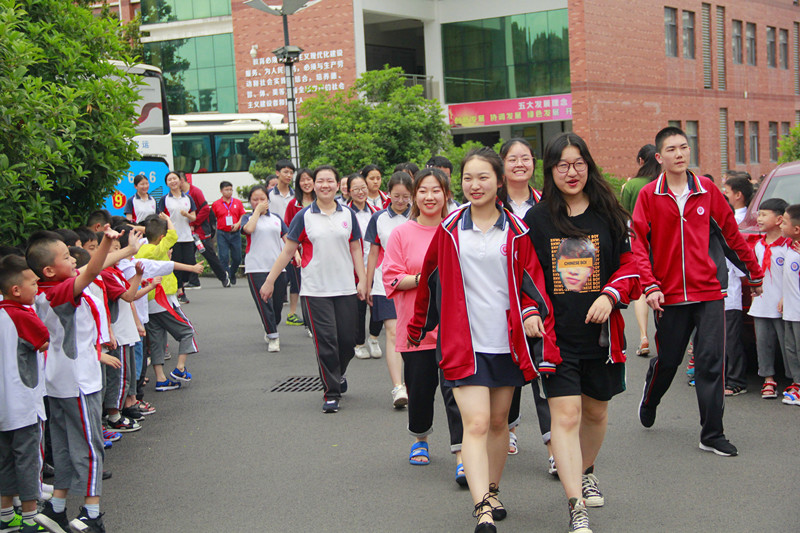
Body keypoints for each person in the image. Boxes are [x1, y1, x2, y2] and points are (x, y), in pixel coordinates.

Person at [407, 147, 557, 533]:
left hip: (506, 343)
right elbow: (429, 278)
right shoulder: (449, 229)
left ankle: (492, 490)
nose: (475, 185)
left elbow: (532, 282)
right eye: (468, 178)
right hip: (463, 344)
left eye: (483, 177)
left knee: (498, 423)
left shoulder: (518, 231)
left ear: (499, 181)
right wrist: (418, 326)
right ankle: (482, 510)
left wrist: (533, 312)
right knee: (475, 423)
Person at [525, 132, 640, 533]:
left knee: (595, 411)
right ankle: (576, 505)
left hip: (602, 339)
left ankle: (586, 469)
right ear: (550, 170)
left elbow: (631, 265)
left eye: (578, 164)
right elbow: (525, 274)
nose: (571, 172)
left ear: (588, 166)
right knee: (567, 415)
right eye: (562, 165)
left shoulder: (610, 213)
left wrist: (610, 294)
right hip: (556, 339)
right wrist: (530, 311)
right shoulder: (537, 219)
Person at [633, 126, 763, 457]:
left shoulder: (707, 190)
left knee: (710, 363)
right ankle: (650, 398)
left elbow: (732, 236)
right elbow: (638, 246)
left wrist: (754, 273)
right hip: (669, 296)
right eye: (671, 149)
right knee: (669, 361)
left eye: (684, 147)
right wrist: (650, 285)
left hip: (709, 292)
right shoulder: (649, 196)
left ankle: (712, 434)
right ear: (659, 157)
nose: (679, 154)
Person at [27, 227, 123, 533]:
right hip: (79, 380)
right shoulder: (61, 292)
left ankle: (56, 508)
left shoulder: (44, 290)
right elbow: (92, 269)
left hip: (58, 380)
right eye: (67, 256)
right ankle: (92, 514)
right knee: (90, 447)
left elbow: (92, 266)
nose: (73, 260)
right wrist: (107, 242)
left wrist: (127, 250)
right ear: (49, 270)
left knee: (65, 446)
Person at [382, 168, 466, 484]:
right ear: (415, 196)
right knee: (420, 391)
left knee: (458, 394)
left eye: (436, 190)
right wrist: (426, 279)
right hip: (417, 328)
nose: (430, 197)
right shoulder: (402, 234)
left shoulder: (457, 229)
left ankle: (462, 454)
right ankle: (420, 437)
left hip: (455, 330)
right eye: (423, 191)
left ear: (446, 194)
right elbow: (391, 277)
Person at [260, 166, 367, 414]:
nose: (325, 185)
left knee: (348, 341)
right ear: (313, 185)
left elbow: (356, 249)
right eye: (320, 181)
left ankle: (337, 374)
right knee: (326, 342)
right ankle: (331, 392)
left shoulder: (348, 214)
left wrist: (362, 281)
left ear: (338, 185)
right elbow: (288, 250)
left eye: (330, 181)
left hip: (345, 288)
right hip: (315, 290)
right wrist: (270, 280)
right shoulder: (304, 216)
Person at [498, 138, 552, 469]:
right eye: (513, 159)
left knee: (546, 369)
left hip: (542, 298)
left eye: (526, 158)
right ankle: (510, 427)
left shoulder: (548, 204)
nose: (520, 164)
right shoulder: (491, 205)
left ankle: (554, 449)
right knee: (511, 368)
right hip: (502, 300)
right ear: (501, 165)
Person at [0, 255, 50, 533]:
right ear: (16, 290)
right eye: (33, 284)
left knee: (5, 461)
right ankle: (31, 518)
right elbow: (43, 341)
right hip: (23, 402)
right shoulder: (21, 314)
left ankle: (6, 515)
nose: (37, 288)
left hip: (3, 404)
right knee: (29, 461)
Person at [136, 214, 203, 392]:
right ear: (161, 238)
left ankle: (161, 379)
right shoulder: (159, 249)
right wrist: (168, 219)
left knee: (157, 340)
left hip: (148, 302)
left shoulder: (140, 250)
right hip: (163, 298)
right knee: (187, 331)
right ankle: (180, 368)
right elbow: (173, 236)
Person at [365, 172, 413, 408]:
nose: (401, 201)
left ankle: (414, 382)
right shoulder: (379, 218)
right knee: (393, 331)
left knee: (413, 332)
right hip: (385, 282)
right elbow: (373, 252)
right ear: (389, 194)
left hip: (414, 282)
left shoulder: (418, 216)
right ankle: (398, 386)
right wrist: (366, 283)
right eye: (396, 196)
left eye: (405, 196)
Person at [748, 199, 791, 399]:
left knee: (788, 345)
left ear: (779, 219)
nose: (759, 218)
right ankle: (768, 379)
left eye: (764, 214)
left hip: (784, 306)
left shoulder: (790, 246)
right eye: (759, 214)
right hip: (762, 304)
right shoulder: (758, 245)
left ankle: (793, 380)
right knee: (763, 344)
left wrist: (785, 297)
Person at [619, 145, 660, 357]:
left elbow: (623, 216)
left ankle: (643, 336)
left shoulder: (632, 185)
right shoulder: (664, 183)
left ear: (641, 161)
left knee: (643, 291)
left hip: (638, 243)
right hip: (662, 244)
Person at [242, 185, 289, 352]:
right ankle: (273, 336)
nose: (259, 202)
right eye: (255, 199)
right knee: (264, 302)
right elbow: (249, 229)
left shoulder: (276, 218)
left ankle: (271, 325)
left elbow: (287, 238)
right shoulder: (247, 218)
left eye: (262, 199)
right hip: (256, 267)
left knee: (277, 304)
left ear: (268, 200)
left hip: (278, 267)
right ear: (250, 201)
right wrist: (256, 212)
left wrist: (296, 254)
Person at [346, 174, 380, 359]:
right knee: (358, 308)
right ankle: (359, 343)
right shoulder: (345, 213)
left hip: (375, 266)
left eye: (363, 188)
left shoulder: (376, 212)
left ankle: (373, 337)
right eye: (356, 189)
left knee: (378, 304)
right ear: (349, 191)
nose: (361, 192)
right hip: (354, 268)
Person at [179, 172, 231, 289]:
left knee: (208, 254)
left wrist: (194, 223)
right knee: (188, 256)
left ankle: (223, 276)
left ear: (181, 180)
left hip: (200, 230)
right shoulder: (178, 195)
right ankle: (193, 280)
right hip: (186, 231)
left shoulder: (195, 192)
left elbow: (205, 209)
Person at [156, 171, 196, 303]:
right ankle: (180, 291)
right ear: (167, 183)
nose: (173, 181)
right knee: (176, 264)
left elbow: (194, 217)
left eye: (175, 179)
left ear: (180, 181)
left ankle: (182, 284)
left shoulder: (188, 198)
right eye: (170, 180)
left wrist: (187, 215)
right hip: (173, 237)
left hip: (187, 236)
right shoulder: (164, 199)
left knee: (190, 262)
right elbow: (160, 217)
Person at [283, 168, 316, 330]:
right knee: (301, 286)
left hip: (318, 251)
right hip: (299, 253)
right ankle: (307, 321)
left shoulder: (322, 201)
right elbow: (288, 231)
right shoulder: (293, 204)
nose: (306, 183)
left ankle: (316, 319)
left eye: (309, 179)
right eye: (303, 180)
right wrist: (295, 252)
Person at [779, 204, 800, 405]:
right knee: (791, 349)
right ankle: (797, 382)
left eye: (784, 222)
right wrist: (785, 298)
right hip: (790, 311)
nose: (780, 225)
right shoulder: (790, 248)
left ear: (796, 229)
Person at [211, 180, 247, 286]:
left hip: (235, 233)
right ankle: (226, 278)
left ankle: (232, 273)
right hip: (222, 233)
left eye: (231, 189)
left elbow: (243, 215)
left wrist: (238, 224)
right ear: (221, 191)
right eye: (226, 190)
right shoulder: (216, 204)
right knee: (224, 256)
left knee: (237, 257)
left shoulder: (237, 202)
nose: (229, 192)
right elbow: (212, 218)